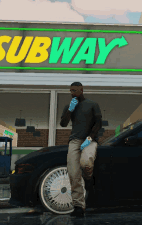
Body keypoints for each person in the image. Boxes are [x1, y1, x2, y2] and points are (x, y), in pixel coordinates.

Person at [60, 82, 102, 217]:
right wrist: (70, 110)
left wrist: (90, 137)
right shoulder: (69, 106)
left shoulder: (92, 104)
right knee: (73, 172)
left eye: (74, 90)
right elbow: (63, 123)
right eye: (70, 90)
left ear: (81, 90)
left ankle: (88, 181)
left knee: (86, 163)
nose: (72, 93)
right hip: (74, 141)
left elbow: (98, 122)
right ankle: (78, 206)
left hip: (89, 140)